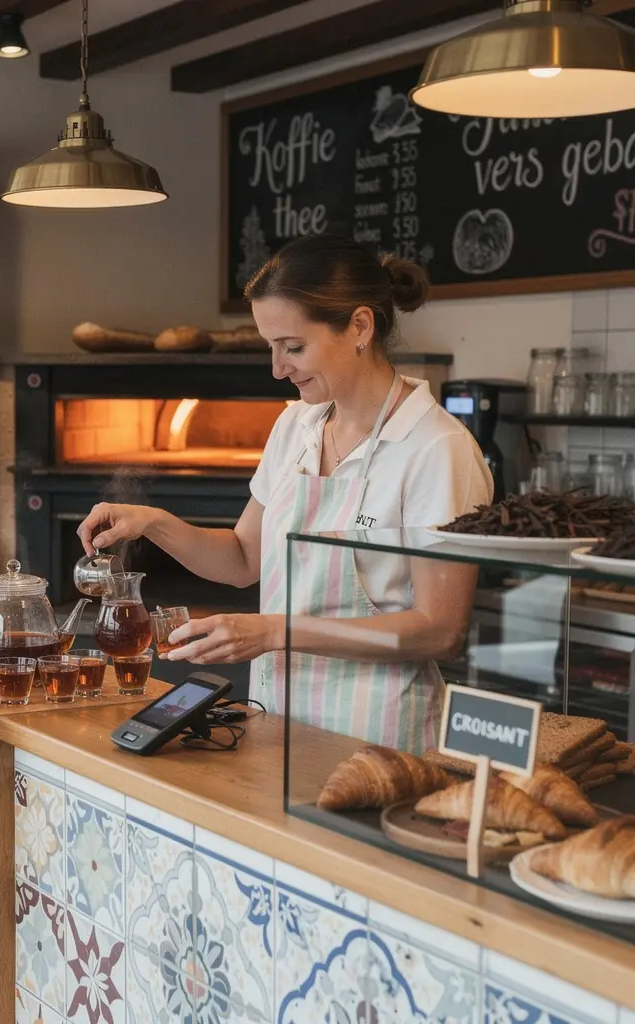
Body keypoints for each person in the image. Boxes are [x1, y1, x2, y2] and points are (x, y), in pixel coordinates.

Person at [78, 234, 492, 753]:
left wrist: (275, 632)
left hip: (381, 737)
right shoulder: (296, 426)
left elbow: (440, 630)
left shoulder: (437, 449)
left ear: (360, 326)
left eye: (294, 347)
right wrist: (153, 522)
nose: (278, 368)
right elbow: (243, 558)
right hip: (280, 723)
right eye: (270, 347)